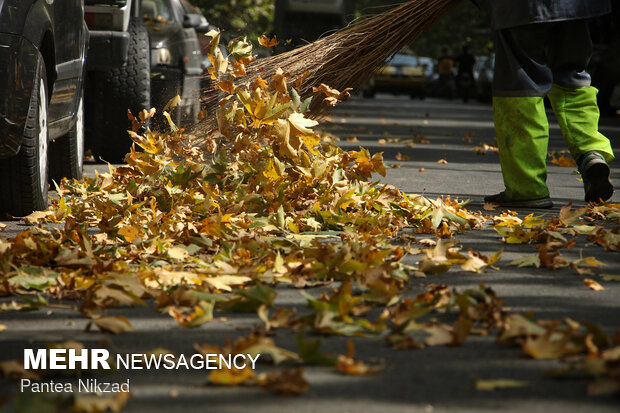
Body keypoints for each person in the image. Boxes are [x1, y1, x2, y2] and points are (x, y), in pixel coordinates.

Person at [484, 0, 614, 208]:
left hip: (521, 8)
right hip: (576, 7)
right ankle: (591, 153)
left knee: (521, 84)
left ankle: (527, 188)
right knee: (572, 75)